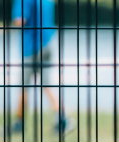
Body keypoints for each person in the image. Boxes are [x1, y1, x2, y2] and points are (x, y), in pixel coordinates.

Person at [11, 0, 74, 134]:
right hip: (47, 42)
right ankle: (62, 118)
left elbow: (20, 20)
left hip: (31, 47)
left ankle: (19, 123)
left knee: (23, 85)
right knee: (46, 84)